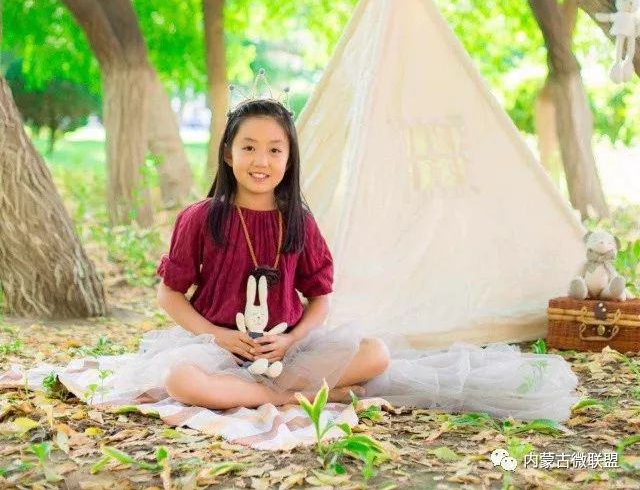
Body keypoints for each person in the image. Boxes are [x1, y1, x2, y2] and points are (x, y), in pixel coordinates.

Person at [113, 94, 579, 421]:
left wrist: (292, 340)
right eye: (249, 147)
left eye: (275, 149)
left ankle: (278, 392)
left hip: (287, 350)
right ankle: (301, 399)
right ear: (228, 154)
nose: (262, 160)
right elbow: (170, 296)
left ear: (290, 157)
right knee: (180, 380)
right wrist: (219, 337)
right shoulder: (200, 218)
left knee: (374, 354)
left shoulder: (298, 220)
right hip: (217, 349)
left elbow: (319, 300)